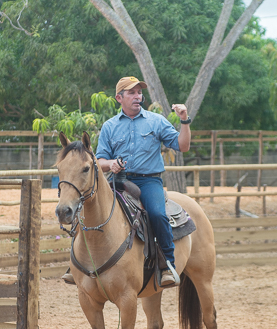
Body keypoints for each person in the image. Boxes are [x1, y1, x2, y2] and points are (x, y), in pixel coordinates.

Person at [63, 76, 191, 288]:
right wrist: (111, 164)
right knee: (85, 210)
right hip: (117, 181)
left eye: (139, 92)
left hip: (148, 182)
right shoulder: (110, 126)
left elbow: (183, 145)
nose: (138, 96)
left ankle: (167, 264)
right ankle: (75, 264)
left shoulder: (156, 121)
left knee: (158, 214)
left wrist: (184, 120)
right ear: (119, 98)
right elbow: (99, 161)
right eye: (132, 92)